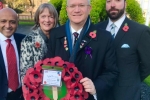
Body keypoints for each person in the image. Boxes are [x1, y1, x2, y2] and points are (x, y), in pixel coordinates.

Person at [46, 0, 118, 99]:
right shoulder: (55, 34)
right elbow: (48, 65)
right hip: (60, 96)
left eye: (81, 5)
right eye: (72, 6)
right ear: (67, 9)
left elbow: (111, 72)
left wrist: (96, 86)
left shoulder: (105, 38)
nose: (77, 10)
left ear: (89, 8)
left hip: (88, 97)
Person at [96, 0, 150, 100]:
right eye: (108, 1)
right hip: (100, 93)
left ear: (125, 4)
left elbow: (147, 64)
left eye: (117, 0)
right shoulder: (96, 29)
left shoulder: (140, 31)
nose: (112, 5)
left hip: (126, 94)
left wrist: (131, 80)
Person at [20, 3, 58, 81]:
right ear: (38, 19)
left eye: (51, 17)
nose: (47, 20)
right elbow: (25, 72)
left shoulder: (61, 37)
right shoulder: (29, 40)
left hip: (58, 85)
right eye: (43, 16)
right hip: (36, 86)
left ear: (55, 19)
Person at [0, 8, 25, 100]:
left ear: (17, 23)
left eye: (12, 22)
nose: (8, 25)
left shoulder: (24, 40)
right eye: (3, 21)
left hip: (21, 94)